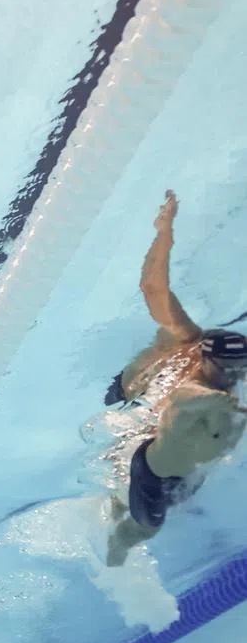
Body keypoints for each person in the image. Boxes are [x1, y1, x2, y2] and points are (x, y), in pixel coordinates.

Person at [104, 190, 247, 566]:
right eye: (225, 368)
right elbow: (154, 289)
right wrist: (164, 231)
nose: (233, 376)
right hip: (134, 406)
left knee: (164, 496)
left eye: (240, 369)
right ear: (205, 356)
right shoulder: (190, 344)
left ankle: (117, 506)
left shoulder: (230, 388)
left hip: (179, 457)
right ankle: (114, 553)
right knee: (144, 517)